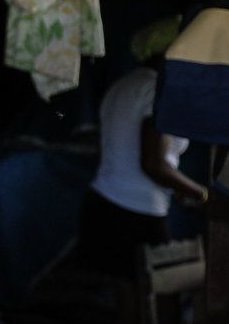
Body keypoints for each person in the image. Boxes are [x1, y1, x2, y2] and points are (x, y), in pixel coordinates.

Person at [66, 16, 206, 279]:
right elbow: (153, 164)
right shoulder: (157, 90)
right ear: (172, 52)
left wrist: (177, 188)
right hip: (136, 214)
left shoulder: (124, 85)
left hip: (104, 204)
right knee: (161, 308)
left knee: (130, 309)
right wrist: (204, 195)